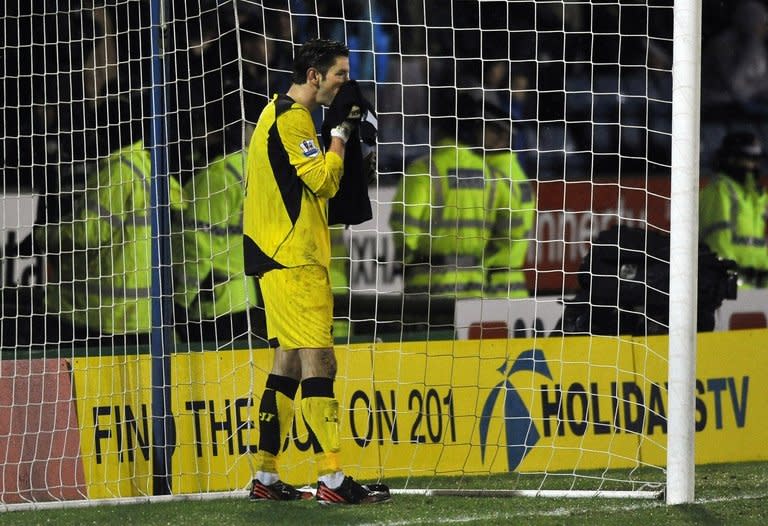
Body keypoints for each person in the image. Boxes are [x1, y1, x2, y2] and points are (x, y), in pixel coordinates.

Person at [242, 38, 390, 504]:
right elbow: (323, 181)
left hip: (273, 255)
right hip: (294, 258)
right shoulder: (293, 119)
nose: (345, 84)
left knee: (285, 364)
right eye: (340, 75)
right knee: (319, 361)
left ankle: (265, 477)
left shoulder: (273, 111)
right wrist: (342, 136)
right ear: (314, 76)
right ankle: (332, 478)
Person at [38, 116, 186, 347]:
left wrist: (41, 236)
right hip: (143, 314)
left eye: (97, 130)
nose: (93, 137)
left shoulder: (118, 171)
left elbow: (87, 232)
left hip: (100, 313)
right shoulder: (148, 164)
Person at [390, 91, 535, 299]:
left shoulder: (425, 170)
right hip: (477, 284)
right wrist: (479, 259)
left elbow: (404, 226)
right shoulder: (494, 176)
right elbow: (513, 229)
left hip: (429, 286)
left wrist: (408, 260)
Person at [173, 126, 264, 347]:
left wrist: (179, 302)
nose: (198, 135)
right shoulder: (248, 167)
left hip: (212, 303)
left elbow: (197, 246)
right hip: (243, 296)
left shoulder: (216, 178)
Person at [699, 131, 768, 288]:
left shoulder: (756, 197)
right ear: (731, 159)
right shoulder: (719, 192)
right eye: (748, 159)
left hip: (757, 291)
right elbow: (719, 245)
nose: (753, 166)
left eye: (756, 160)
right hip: (729, 291)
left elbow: (756, 246)